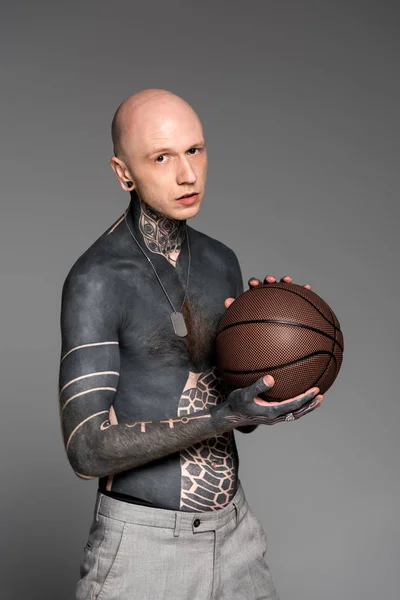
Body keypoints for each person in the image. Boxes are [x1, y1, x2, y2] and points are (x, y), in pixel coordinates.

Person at [58, 88, 324, 600]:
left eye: (195, 151)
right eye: (162, 157)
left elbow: (237, 412)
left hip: (235, 534)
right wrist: (220, 419)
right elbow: (85, 451)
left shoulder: (221, 261)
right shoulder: (97, 278)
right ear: (123, 172)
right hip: (144, 548)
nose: (187, 174)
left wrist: (281, 361)